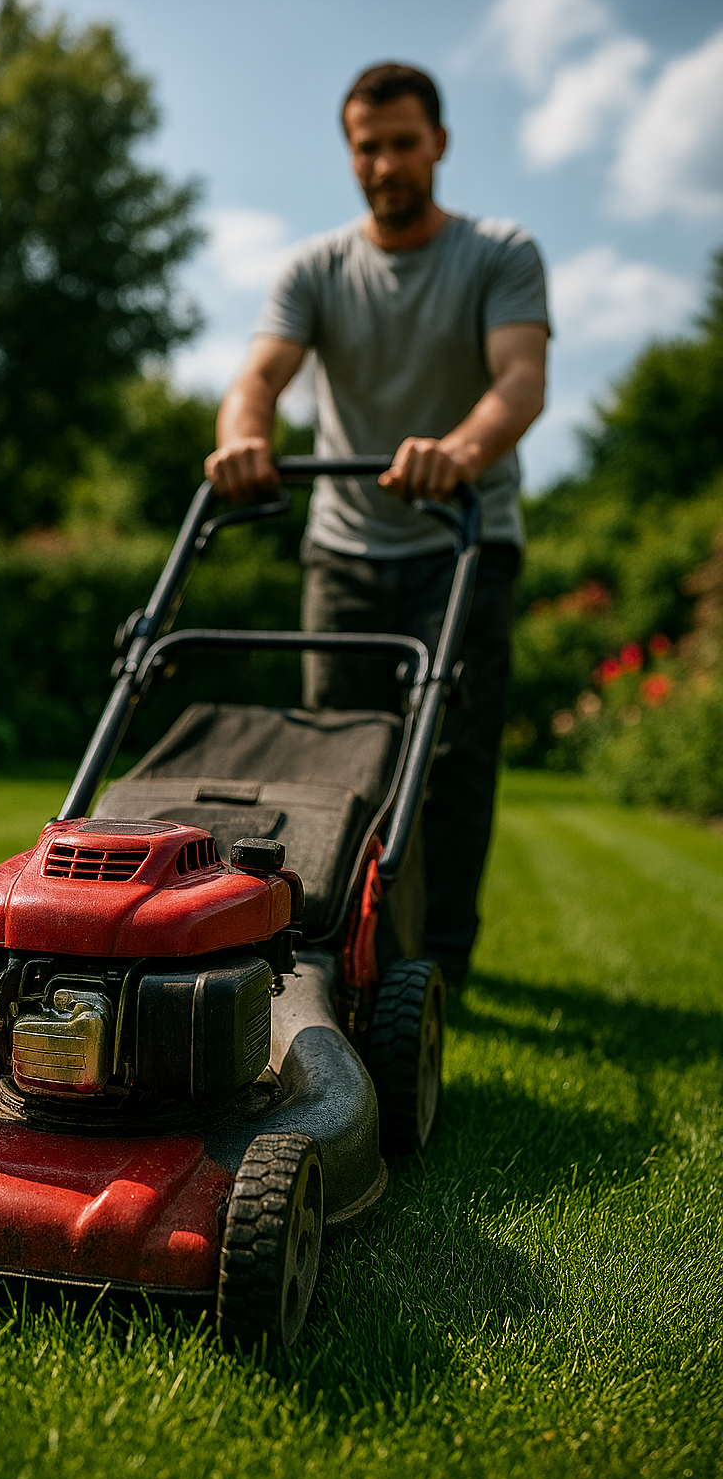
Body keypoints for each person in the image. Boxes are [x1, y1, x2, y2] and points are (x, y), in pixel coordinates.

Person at [205, 61, 549, 988]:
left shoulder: (498, 253)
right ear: (350, 154)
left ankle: (438, 968)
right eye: (369, 147)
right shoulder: (316, 268)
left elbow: (519, 382)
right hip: (344, 548)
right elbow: (259, 379)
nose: (387, 164)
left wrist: (459, 453)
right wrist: (243, 439)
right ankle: (323, 959)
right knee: (333, 762)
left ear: (438, 144)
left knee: (452, 764)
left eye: (404, 143)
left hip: (464, 540)